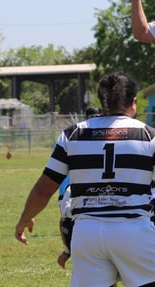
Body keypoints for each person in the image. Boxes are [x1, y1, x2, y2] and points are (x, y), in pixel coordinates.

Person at [15, 71, 155, 287]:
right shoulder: (148, 135)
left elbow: (44, 188)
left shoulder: (72, 135)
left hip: (87, 233)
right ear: (133, 102)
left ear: (102, 101)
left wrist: (26, 217)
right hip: (133, 230)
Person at [56, 106, 104, 269]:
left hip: (75, 187)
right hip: (82, 187)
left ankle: (69, 250)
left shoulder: (75, 135)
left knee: (69, 219)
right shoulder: (103, 135)